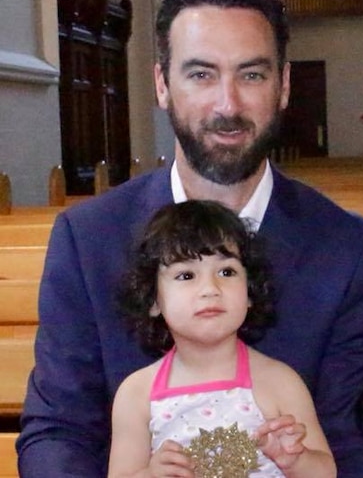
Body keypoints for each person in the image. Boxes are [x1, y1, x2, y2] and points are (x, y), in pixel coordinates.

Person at [17, 0, 363, 476]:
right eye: (200, 74)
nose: (227, 104)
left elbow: (348, 442)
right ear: (162, 84)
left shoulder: (348, 249)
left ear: (284, 86)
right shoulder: (88, 240)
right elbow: (60, 431)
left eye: (252, 74)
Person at [107, 200, 336, 478]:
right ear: (153, 299)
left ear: (250, 292)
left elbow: (325, 472)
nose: (210, 288)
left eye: (226, 272)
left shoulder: (279, 381)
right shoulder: (137, 393)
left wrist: (295, 459)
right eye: (186, 275)